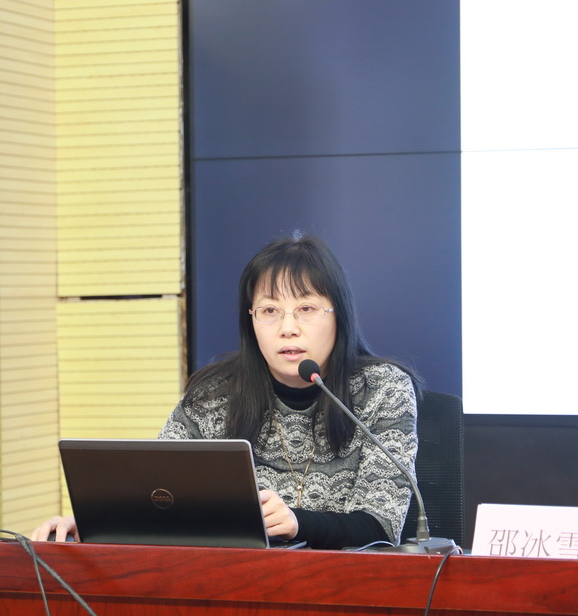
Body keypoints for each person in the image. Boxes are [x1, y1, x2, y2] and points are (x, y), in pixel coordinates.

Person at [31, 231, 419, 549]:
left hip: (344, 591)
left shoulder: (382, 390)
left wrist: (298, 523)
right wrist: (95, 527)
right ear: (251, 320)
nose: (288, 328)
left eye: (306, 309)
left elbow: (382, 526)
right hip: (232, 588)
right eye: (269, 311)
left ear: (339, 315)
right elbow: (157, 496)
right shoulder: (214, 393)